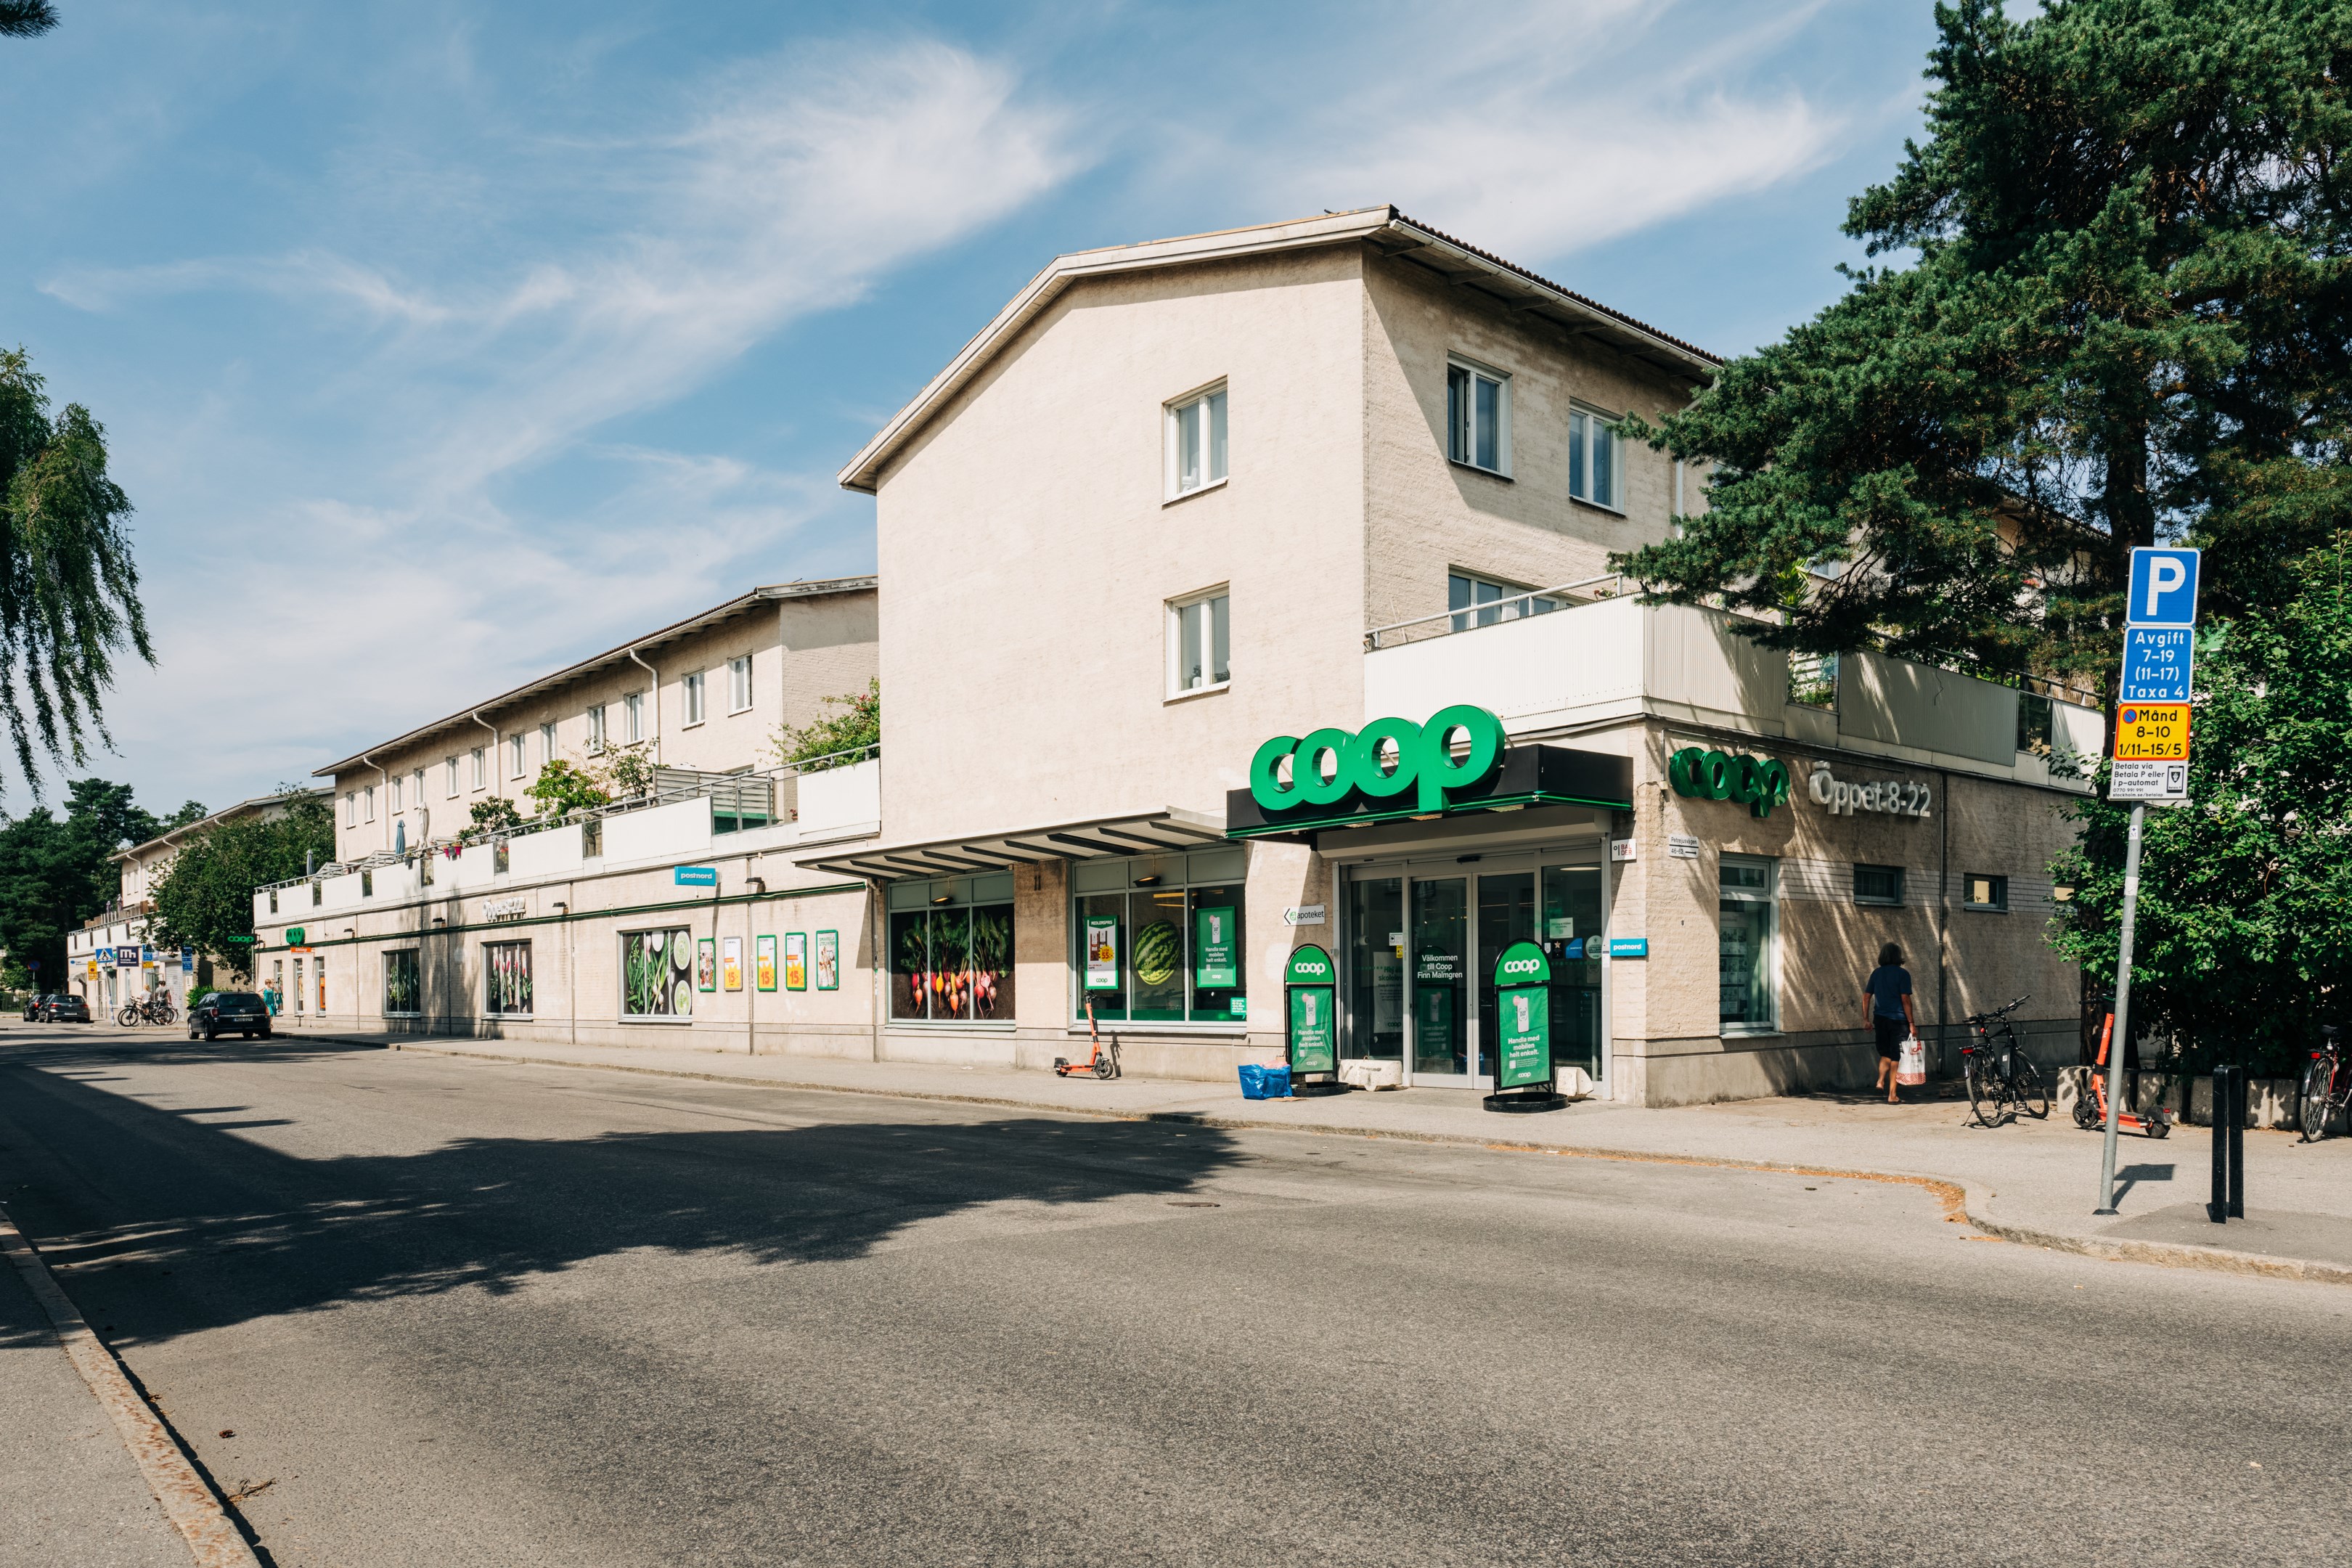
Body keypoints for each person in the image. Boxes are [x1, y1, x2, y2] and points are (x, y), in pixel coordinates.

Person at [1864, 942, 1917, 1103]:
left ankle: (1880, 1081)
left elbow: (1866, 996)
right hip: (1899, 1020)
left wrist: (1866, 1019)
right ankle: (1892, 1095)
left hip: (1880, 1019)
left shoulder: (1876, 973)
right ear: (1897, 956)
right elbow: (1905, 999)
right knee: (1896, 1056)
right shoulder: (1903, 974)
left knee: (1885, 1053)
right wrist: (1911, 1023)